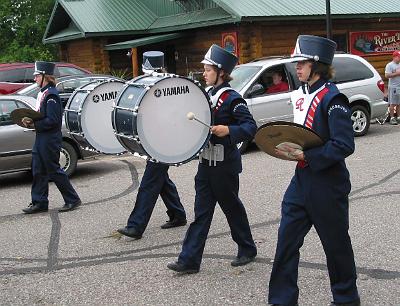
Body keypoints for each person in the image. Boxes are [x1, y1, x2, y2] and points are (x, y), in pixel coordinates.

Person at [268, 35, 360, 306]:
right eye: (297, 63)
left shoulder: (334, 98)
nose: (297, 68)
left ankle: (346, 298)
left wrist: (308, 154)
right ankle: (282, 299)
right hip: (302, 179)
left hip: (328, 183)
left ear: (317, 66)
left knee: (336, 246)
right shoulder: (303, 94)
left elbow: (344, 144)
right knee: (286, 240)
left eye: (303, 63)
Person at [167, 44, 257, 274]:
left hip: (225, 166)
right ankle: (189, 260)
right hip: (206, 164)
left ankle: (247, 248)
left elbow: (249, 127)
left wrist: (228, 130)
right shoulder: (206, 95)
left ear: (221, 73)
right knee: (201, 214)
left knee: (232, 209)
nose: (204, 73)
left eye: (208, 70)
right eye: (204, 69)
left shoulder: (232, 99)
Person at [117, 51, 187, 239]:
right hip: (160, 142)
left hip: (162, 143)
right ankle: (178, 214)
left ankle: (135, 226)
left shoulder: (160, 87)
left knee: (149, 183)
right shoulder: (169, 84)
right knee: (161, 180)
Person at [22, 61, 81, 214]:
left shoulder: (52, 95)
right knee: (38, 169)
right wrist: (31, 121)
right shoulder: (43, 93)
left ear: (45, 77)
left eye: (37, 75)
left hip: (49, 138)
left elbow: (53, 121)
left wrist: (34, 124)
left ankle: (72, 199)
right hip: (42, 137)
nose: (34, 78)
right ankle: (39, 201)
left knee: (53, 170)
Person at [384, 50, 400, 125]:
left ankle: (399, 117)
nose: (399, 58)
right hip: (393, 86)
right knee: (392, 103)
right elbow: (386, 75)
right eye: (398, 57)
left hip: (399, 86)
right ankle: (392, 117)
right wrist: (397, 73)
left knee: (399, 103)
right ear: (394, 57)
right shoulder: (389, 65)